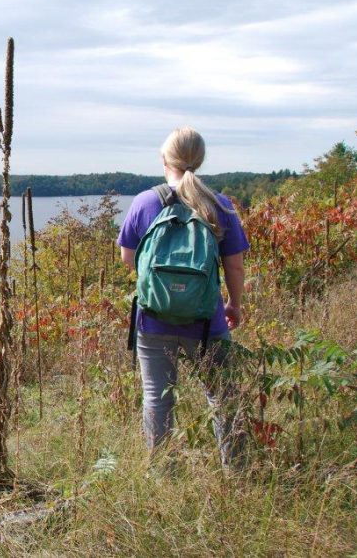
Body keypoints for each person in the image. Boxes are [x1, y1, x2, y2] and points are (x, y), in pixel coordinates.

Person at [117, 127, 249, 467]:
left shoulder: (146, 201)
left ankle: (161, 473)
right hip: (207, 321)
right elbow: (234, 265)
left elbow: (128, 258)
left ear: (164, 159)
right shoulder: (219, 204)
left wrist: (165, 288)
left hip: (153, 318)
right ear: (200, 160)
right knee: (222, 398)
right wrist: (234, 304)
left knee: (157, 400)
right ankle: (235, 472)